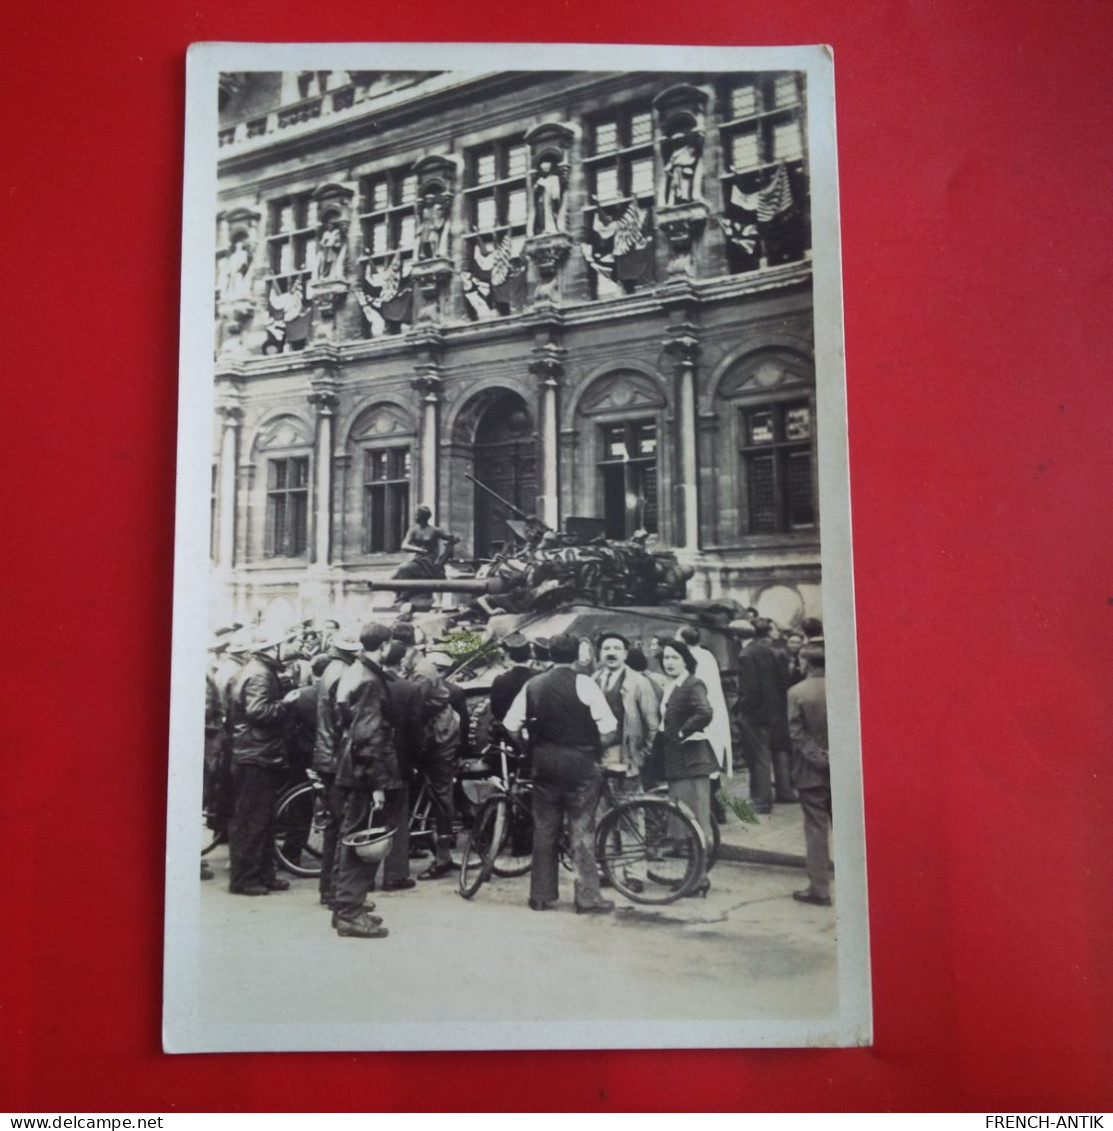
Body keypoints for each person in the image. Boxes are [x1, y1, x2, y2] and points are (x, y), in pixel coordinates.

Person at [503, 632, 618, 913]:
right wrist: (591, 747)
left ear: (549, 654)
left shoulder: (533, 685)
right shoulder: (586, 684)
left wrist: (529, 747)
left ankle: (541, 895)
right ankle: (587, 897)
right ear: (576, 654)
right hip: (580, 762)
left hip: (544, 761)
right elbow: (610, 728)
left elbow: (510, 724)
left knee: (544, 827)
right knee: (582, 828)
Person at [332, 623, 398, 938]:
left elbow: (347, 722)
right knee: (362, 841)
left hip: (350, 764)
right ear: (384, 645)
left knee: (350, 836)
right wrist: (378, 785)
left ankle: (344, 904)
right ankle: (350, 913)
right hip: (365, 770)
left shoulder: (355, 670)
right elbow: (369, 735)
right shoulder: (371, 680)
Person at [227, 628, 301, 896]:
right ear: (273, 648)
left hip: (257, 752)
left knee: (263, 820)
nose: (289, 647)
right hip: (256, 754)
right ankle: (246, 880)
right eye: (285, 643)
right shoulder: (260, 673)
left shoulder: (258, 669)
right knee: (254, 821)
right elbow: (258, 710)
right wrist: (287, 703)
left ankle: (262, 875)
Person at [392, 621, 462, 880]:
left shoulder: (422, 671)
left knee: (440, 792)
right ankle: (417, 839)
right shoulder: (414, 665)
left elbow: (413, 710)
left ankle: (443, 856)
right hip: (431, 731)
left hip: (439, 736)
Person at [593, 632, 661, 893]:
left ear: (624, 653)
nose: (611, 652)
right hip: (599, 759)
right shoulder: (594, 680)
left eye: (616, 648)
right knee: (601, 816)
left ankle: (635, 873)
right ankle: (605, 869)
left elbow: (652, 726)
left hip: (626, 758)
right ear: (600, 653)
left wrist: (642, 758)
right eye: (606, 648)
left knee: (631, 817)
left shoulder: (638, 683)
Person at [656, 639, 718, 897]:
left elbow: (705, 712)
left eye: (674, 658)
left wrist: (683, 731)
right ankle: (693, 876)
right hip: (677, 762)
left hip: (691, 762)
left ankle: (698, 878)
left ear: (685, 661)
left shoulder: (692, 683)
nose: (669, 662)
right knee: (686, 819)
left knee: (695, 820)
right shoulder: (673, 685)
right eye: (666, 658)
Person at [311, 630, 361, 909]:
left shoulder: (332, 668)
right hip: (337, 758)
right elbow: (347, 718)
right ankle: (337, 892)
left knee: (334, 825)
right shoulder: (345, 673)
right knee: (345, 826)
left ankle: (329, 890)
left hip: (326, 754)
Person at [787, 643, 831, 907]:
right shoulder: (848, 687)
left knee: (816, 831)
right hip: (844, 773)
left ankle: (820, 889)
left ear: (807, 663)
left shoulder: (796, 693)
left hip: (811, 774)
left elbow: (796, 735)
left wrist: (822, 760)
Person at [378, 641, 422, 892]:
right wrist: (415, 761)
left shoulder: (371, 681)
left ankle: (365, 873)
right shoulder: (409, 689)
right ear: (402, 661)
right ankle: (394, 875)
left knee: (368, 816)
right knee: (397, 816)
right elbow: (415, 730)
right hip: (398, 759)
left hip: (369, 757)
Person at [677, 625, 732, 822]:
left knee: (706, 767)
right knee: (713, 768)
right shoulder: (706, 656)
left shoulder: (692, 659)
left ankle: (714, 812)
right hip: (713, 714)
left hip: (703, 716)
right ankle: (719, 811)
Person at [733, 619, 782, 815]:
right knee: (761, 755)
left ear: (734, 636)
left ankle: (761, 801)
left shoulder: (745, 654)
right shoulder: (764, 649)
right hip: (769, 711)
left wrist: (743, 710)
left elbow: (750, 689)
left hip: (754, 714)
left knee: (758, 757)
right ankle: (759, 797)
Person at [396, 506, 458, 581]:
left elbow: (453, 538)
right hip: (417, 559)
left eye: (417, 515)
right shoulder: (413, 530)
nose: (415, 517)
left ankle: (406, 591)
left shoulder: (435, 530)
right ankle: (404, 591)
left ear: (423, 517)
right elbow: (404, 546)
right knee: (395, 575)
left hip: (429, 561)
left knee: (403, 569)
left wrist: (447, 551)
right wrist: (419, 550)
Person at [489, 633, 535, 722]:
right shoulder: (538, 677)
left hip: (509, 724)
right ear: (529, 653)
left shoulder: (500, 680)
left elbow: (496, 711)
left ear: (509, 655)